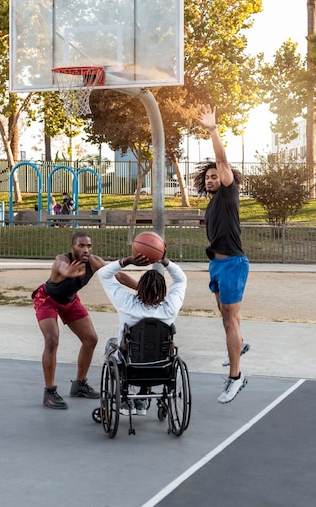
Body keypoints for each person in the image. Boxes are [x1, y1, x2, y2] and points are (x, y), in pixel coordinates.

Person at [31, 231, 138, 409]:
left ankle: (79, 384)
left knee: (91, 339)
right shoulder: (62, 260)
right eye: (81, 245)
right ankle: (49, 391)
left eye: (89, 245)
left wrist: (144, 288)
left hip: (70, 301)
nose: (86, 249)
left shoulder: (93, 262)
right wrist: (68, 272)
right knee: (52, 339)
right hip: (47, 300)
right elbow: (62, 268)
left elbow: (118, 276)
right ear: (72, 247)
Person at [195, 104, 250, 404]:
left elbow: (221, 158)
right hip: (217, 266)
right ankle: (238, 345)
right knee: (227, 316)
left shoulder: (229, 193)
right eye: (207, 177)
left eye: (215, 176)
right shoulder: (212, 202)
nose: (210, 179)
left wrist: (212, 129)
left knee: (230, 320)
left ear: (225, 178)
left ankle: (236, 377)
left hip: (232, 264)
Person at [97, 251, 187, 415]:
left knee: (112, 345)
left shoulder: (127, 304)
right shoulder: (170, 308)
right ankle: (142, 398)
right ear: (163, 290)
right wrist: (164, 261)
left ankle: (123, 396)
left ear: (140, 287)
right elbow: (181, 279)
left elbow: (103, 273)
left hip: (128, 365)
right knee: (152, 348)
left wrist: (128, 260)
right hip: (161, 366)